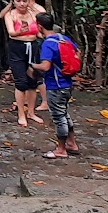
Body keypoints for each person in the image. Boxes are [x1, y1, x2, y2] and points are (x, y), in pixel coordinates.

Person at [30, 13, 80, 159]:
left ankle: (61, 149)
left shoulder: (48, 44)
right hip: (67, 83)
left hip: (55, 85)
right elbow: (78, 52)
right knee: (64, 113)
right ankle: (72, 143)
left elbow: (45, 66)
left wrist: (32, 66)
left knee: (59, 117)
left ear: (39, 26)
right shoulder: (63, 38)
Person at [0, 0, 51, 114]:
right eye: (18, 1)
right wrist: (20, 31)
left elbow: (42, 27)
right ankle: (21, 114)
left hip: (33, 47)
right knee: (21, 82)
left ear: (28, 1)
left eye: (24, 1)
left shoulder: (34, 13)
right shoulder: (10, 14)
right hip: (17, 47)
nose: (22, 4)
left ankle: (31, 113)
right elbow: (11, 32)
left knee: (33, 80)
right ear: (14, 2)